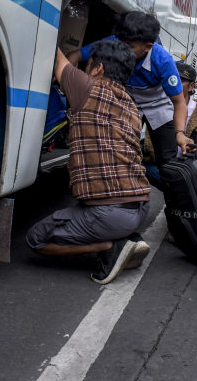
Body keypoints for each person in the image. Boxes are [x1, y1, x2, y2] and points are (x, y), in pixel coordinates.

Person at [27, 40, 152, 284]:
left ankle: (108, 246)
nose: (84, 70)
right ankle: (125, 238)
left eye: (87, 65)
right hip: (141, 207)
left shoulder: (87, 87)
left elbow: (55, 56)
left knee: (36, 240)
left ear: (98, 69)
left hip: (110, 215)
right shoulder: (131, 105)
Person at [67, 11, 195, 166]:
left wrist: (180, 134)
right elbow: (75, 55)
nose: (123, 49)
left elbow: (179, 103)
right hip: (127, 104)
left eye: (129, 46)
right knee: (123, 155)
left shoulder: (164, 62)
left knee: (168, 162)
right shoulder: (113, 44)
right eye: (121, 43)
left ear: (148, 46)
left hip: (158, 105)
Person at [142, 61, 197, 185]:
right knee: (135, 164)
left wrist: (194, 150)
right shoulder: (157, 108)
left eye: (179, 80)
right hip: (164, 166)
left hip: (189, 168)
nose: (173, 84)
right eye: (170, 79)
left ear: (191, 86)